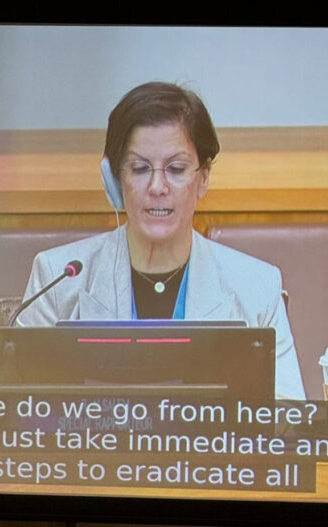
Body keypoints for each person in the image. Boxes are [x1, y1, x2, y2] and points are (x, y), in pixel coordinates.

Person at [16, 82, 305, 399]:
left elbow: (286, 419)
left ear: (204, 178)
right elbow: (22, 414)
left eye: (176, 169)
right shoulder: (57, 279)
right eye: (140, 168)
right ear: (115, 180)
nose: (157, 186)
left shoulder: (256, 287)